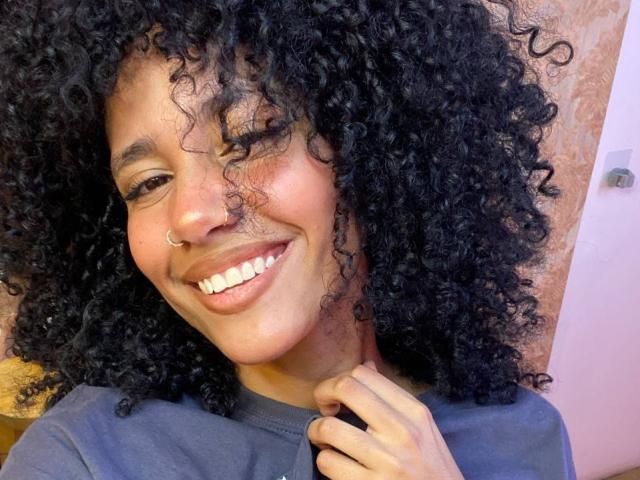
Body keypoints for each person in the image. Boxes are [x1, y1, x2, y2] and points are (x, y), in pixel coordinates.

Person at [0, 1, 576, 478]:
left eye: (249, 138)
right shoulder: (82, 457)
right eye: (147, 183)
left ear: (368, 144)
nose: (193, 215)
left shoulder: (522, 439)